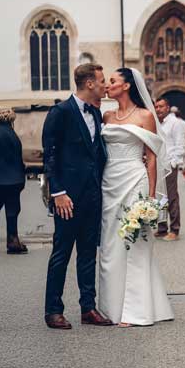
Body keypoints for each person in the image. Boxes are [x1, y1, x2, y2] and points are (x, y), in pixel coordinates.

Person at [99, 67, 174, 327]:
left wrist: (150, 198)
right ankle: (110, 307)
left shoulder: (145, 116)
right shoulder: (107, 115)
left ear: (127, 85)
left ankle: (135, 311)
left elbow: (151, 158)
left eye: (113, 81)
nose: (108, 85)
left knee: (135, 242)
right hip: (109, 182)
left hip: (135, 180)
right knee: (110, 244)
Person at [42, 64, 113, 329]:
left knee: (87, 254)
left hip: (93, 195)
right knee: (61, 254)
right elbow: (50, 155)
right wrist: (58, 192)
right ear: (90, 83)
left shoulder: (96, 113)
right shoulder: (60, 112)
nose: (106, 86)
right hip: (67, 198)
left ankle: (88, 308)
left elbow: (97, 154)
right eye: (102, 81)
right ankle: (53, 310)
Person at [0, 108, 27, 255]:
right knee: (12, 212)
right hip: (13, 182)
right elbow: (17, 160)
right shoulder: (13, 136)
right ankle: (13, 241)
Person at [154, 97, 185, 241]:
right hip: (158, 164)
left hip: (169, 164)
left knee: (171, 196)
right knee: (160, 196)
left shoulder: (176, 123)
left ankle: (174, 229)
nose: (158, 109)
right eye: (156, 107)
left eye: (161, 106)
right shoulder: (156, 122)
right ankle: (162, 228)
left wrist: (174, 163)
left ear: (167, 108)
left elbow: (180, 143)